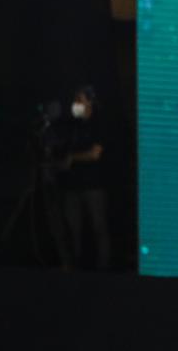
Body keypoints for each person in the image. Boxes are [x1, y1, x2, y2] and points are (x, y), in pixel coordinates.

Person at [59, 85, 111, 270]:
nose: (76, 104)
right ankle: (74, 267)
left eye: (80, 100)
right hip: (72, 186)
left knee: (98, 228)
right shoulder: (73, 125)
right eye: (75, 100)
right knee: (72, 229)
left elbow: (95, 154)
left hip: (93, 185)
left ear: (90, 102)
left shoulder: (99, 123)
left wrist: (73, 158)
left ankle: (103, 269)